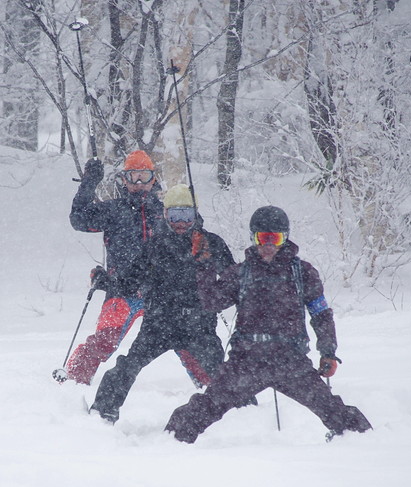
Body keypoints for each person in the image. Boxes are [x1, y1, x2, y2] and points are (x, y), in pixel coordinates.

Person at [165, 206, 372, 443]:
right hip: (247, 362)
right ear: (254, 238)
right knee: (205, 408)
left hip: (291, 362)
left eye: (276, 238)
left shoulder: (302, 273)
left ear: (286, 238)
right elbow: (212, 302)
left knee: (333, 410)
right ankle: (169, 444)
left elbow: (321, 314)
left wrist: (328, 351)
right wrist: (203, 266)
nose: (269, 245)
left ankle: (365, 443)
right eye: (263, 238)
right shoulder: (240, 273)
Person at [87, 184, 235, 423]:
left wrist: (217, 295)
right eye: (175, 215)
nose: (181, 222)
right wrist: (107, 281)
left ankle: (245, 415)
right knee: (127, 366)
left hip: (198, 326)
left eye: (187, 215)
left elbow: (233, 281)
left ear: (195, 214)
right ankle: (102, 414)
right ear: (165, 215)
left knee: (223, 375)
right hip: (159, 324)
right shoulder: (155, 246)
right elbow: (129, 281)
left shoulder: (211, 244)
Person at [59, 151, 201, 386]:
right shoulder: (113, 210)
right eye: (132, 176)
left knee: (185, 339)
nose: (138, 183)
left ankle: (209, 385)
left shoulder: (165, 211)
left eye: (144, 176)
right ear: (123, 179)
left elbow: (193, 230)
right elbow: (79, 219)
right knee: (105, 338)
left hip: (163, 292)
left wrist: (192, 207)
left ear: (153, 179)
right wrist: (89, 183)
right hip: (123, 288)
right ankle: (73, 381)